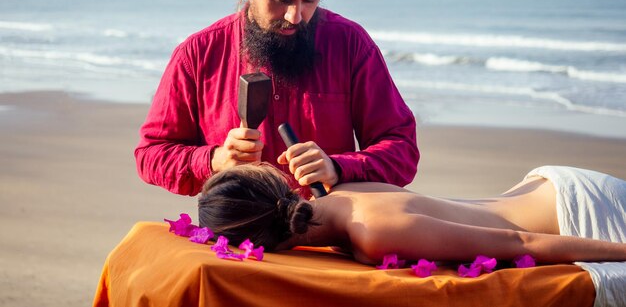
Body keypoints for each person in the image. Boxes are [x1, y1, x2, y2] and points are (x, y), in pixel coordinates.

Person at [135, 0, 419, 196]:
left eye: (310, 0)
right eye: (281, 0)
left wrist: (338, 167)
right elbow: (151, 155)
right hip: (237, 234)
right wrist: (215, 160)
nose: (295, 16)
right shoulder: (198, 53)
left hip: (330, 230)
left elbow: (402, 151)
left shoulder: (351, 44)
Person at [198, 163, 626, 266]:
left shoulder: (373, 233)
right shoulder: (340, 191)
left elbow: (521, 244)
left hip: (579, 214)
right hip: (550, 188)